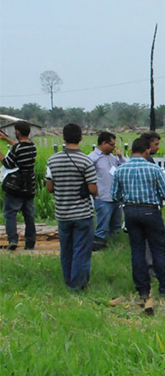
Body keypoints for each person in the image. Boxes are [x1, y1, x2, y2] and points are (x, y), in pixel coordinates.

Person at [111, 136, 165, 315]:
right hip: (151, 211)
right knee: (158, 250)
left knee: (137, 250)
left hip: (131, 212)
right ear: (147, 151)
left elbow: (114, 195)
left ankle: (142, 289)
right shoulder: (154, 168)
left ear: (132, 151)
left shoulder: (120, 170)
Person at [45, 123, 98, 290]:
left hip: (62, 213)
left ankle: (68, 281)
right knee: (81, 250)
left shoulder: (52, 160)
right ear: (81, 138)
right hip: (82, 213)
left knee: (66, 251)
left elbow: (49, 188)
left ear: (63, 137)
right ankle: (78, 286)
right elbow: (93, 189)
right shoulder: (85, 160)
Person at [1, 122, 37, 251]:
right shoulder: (32, 147)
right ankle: (30, 242)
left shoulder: (17, 149)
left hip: (16, 186)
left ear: (18, 132)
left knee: (10, 213)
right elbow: (19, 147)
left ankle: (13, 239)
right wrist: (5, 139)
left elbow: (8, 164)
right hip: (30, 186)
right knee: (29, 215)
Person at [88, 131, 126, 251]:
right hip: (103, 197)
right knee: (102, 226)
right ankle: (99, 246)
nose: (114, 147)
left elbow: (124, 168)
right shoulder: (92, 158)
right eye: (112, 145)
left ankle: (114, 246)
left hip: (115, 197)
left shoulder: (113, 158)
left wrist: (121, 157)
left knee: (116, 226)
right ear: (104, 143)